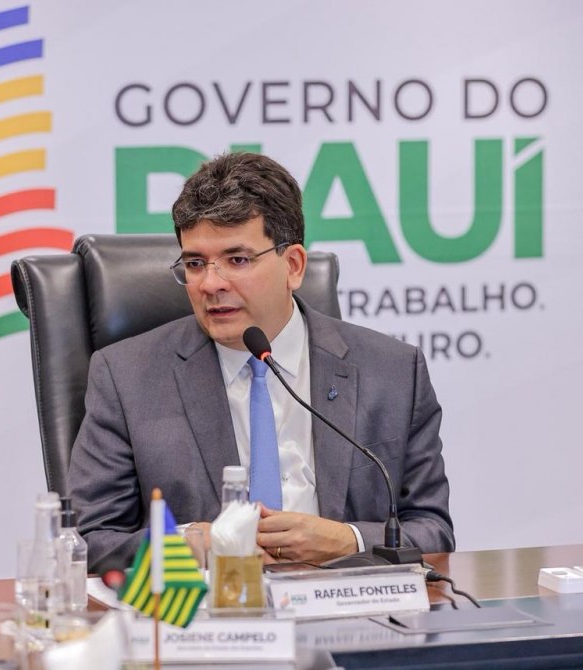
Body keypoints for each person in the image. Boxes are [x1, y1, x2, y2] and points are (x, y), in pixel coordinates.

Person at [69, 152, 453, 572]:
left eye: (237, 260)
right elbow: (89, 541)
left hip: (346, 605)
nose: (210, 284)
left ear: (293, 266)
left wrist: (347, 540)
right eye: (195, 264)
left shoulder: (393, 372)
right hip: (206, 607)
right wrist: (192, 545)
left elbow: (433, 531)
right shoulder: (127, 378)